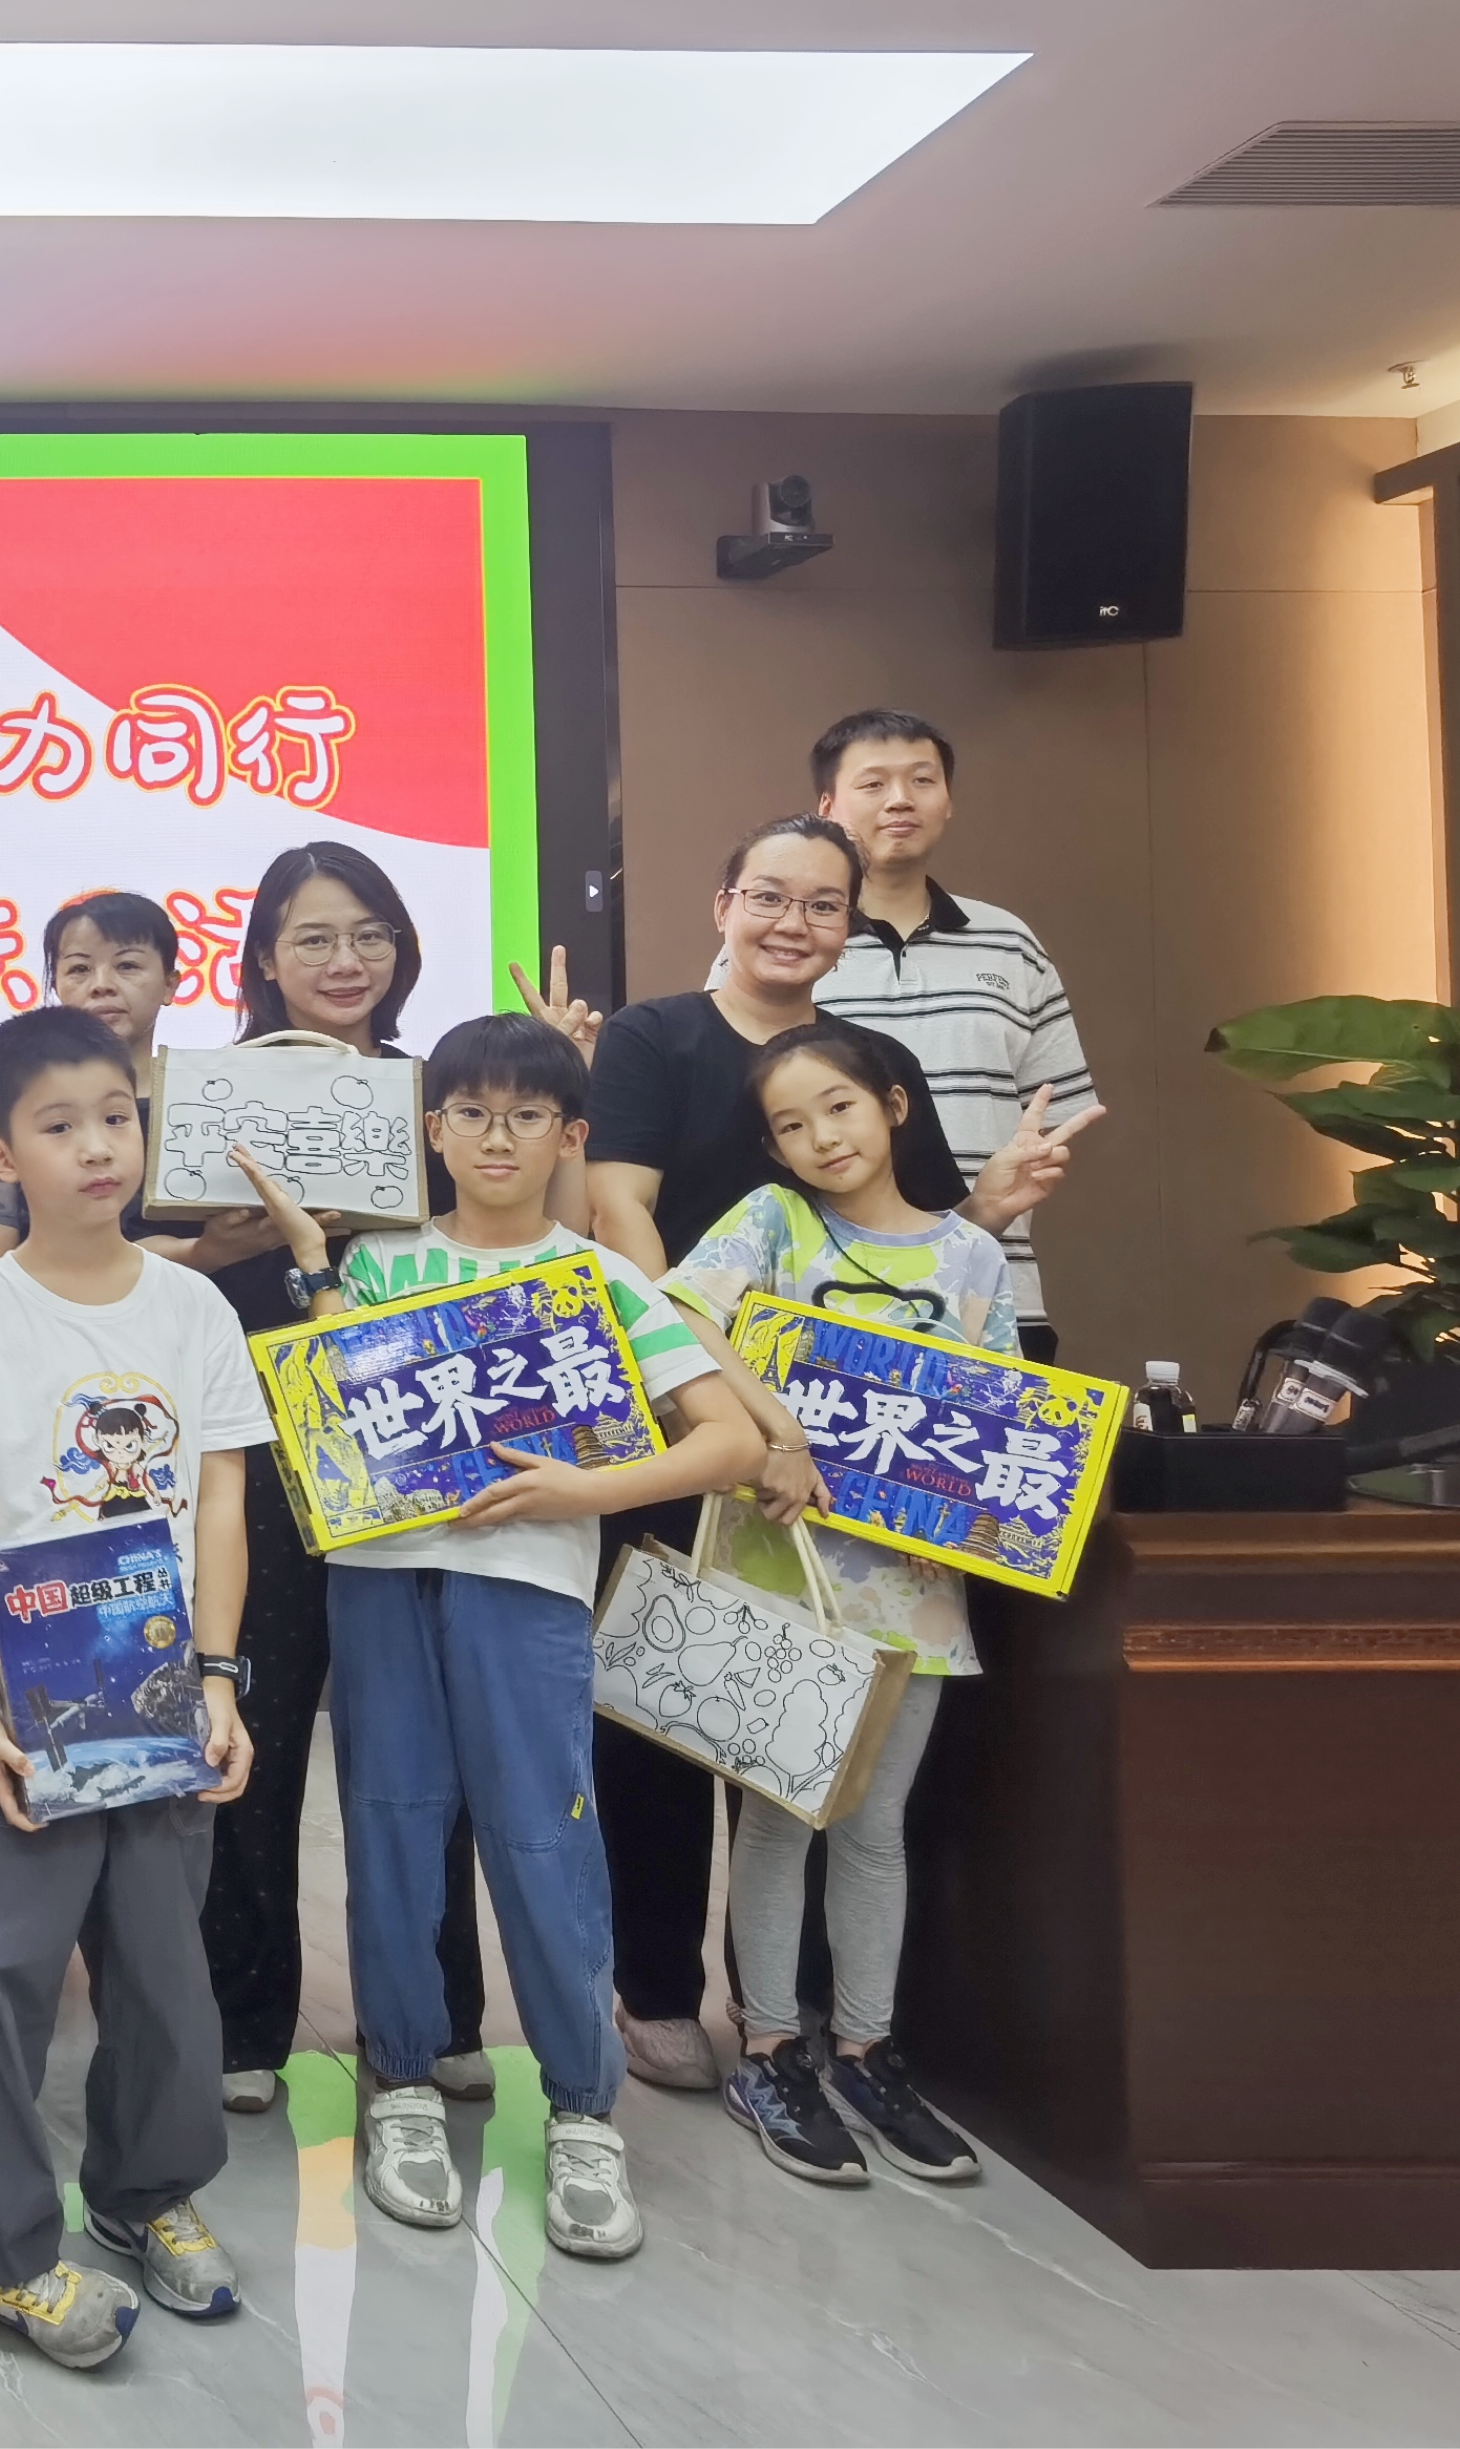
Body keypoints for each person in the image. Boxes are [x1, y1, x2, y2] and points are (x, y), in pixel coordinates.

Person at [582, 811, 1087, 2091]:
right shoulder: (658, 1040)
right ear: (723, 904)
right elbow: (628, 1222)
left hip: (886, 1533)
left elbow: (933, 1275)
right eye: (769, 895)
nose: (792, 921)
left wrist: (989, 1210)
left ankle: (833, 2025)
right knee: (672, 1732)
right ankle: (676, 1999)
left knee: (846, 1800)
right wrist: (729, 1406)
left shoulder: (876, 1065)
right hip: (700, 1431)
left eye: (822, 903)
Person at [271, 1011, 766, 2264]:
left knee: (546, 1840)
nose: (499, 1137)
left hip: (531, 1592)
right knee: (389, 1831)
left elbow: (730, 1439)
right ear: (432, 1129)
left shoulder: (598, 1277)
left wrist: (583, 1490)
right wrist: (308, 1260)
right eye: (473, 1113)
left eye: (528, 1115)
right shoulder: (379, 1265)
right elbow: (328, 1407)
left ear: (570, 1134)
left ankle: (584, 2111)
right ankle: (402, 2082)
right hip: (381, 1580)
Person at [0, 1006, 271, 2371]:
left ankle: (145, 2193)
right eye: (59, 1126)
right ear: (2, 1153)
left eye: (116, 1115)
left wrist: (219, 1678)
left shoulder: (196, 1308)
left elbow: (219, 1503)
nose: (97, 1146)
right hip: (20, 1706)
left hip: (163, 1694)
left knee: (166, 1976)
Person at [104, 853, 502, 2115]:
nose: (346, 961)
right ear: (265, 957)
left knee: (420, 1741)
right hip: (253, 1444)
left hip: (410, 1441)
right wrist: (218, 1240)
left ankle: (433, 2012)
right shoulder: (200, 1096)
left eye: (371, 935)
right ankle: (241, 2019)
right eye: (315, 937)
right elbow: (134, 1265)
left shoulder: (438, 1096)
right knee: (251, 1731)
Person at [669, 1019, 1000, 2189]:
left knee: (875, 1828)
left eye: (841, 1107)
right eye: (792, 1125)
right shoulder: (772, 1222)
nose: (822, 1137)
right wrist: (776, 1423)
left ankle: (863, 2048)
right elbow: (673, 1313)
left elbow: (1002, 1407)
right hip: (785, 1577)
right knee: (777, 1819)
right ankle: (768, 2048)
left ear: (894, 1104)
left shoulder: (974, 1255)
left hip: (917, 1590)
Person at [773, 709, 1099, 1364]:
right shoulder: (780, 943)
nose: (900, 799)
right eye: (874, 784)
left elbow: (1053, 1113)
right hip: (824, 1302)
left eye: (922, 780)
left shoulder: (1010, 943)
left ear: (947, 802)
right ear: (827, 808)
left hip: (994, 1296)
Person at [0, 891, 197, 1264]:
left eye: (127, 965)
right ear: (56, 985)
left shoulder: (204, 1101)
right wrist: (204, 1254)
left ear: (170, 983)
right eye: (80, 969)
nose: (102, 984)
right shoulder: (15, 1099)